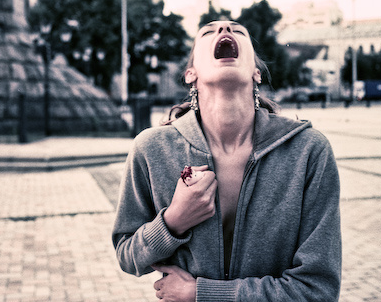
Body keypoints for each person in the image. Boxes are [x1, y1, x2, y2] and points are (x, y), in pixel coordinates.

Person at [112, 20, 341, 301]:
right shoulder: (151, 149)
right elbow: (127, 256)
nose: (224, 30)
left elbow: (318, 290)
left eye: (238, 30)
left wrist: (202, 293)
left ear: (256, 72)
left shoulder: (308, 151)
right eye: (208, 31)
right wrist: (173, 221)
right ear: (190, 73)